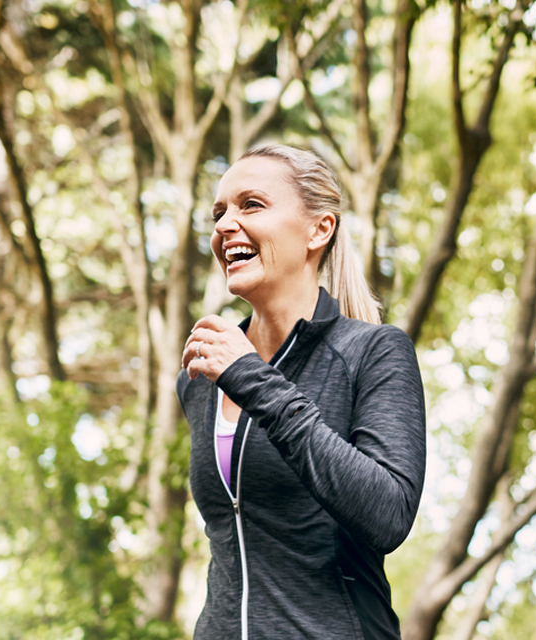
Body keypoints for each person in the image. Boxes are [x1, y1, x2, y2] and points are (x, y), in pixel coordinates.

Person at [178, 144, 426, 639]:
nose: (225, 225)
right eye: (218, 213)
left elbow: (389, 514)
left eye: (251, 205)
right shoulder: (202, 377)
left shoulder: (373, 352)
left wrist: (252, 378)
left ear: (319, 229)